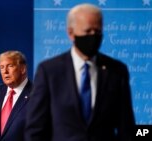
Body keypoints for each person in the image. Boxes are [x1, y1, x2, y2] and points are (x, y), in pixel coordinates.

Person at [25, 3, 135, 141]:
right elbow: (35, 129)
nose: (93, 36)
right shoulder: (49, 71)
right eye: (88, 31)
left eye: (98, 31)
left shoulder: (117, 71)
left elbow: (126, 127)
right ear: (71, 33)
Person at [0, 51, 32, 141]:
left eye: (10, 66)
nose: (5, 71)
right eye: (1, 67)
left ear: (23, 69)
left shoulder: (37, 95)